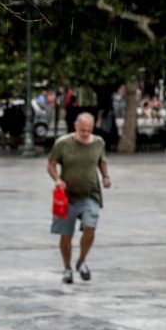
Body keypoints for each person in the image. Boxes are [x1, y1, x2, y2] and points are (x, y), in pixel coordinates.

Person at [47, 112, 111, 284]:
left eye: (88, 130)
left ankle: (82, 261)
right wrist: (58, 179)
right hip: (67, 197)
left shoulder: (98, 143)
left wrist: (105, 176)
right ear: (75, 126)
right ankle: (67, 268)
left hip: (91, 195)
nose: (85, 133)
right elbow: (51, 165)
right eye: (82, 130)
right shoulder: (63, 143)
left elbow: (102, 161)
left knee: (90, 228)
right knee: (66, 235)